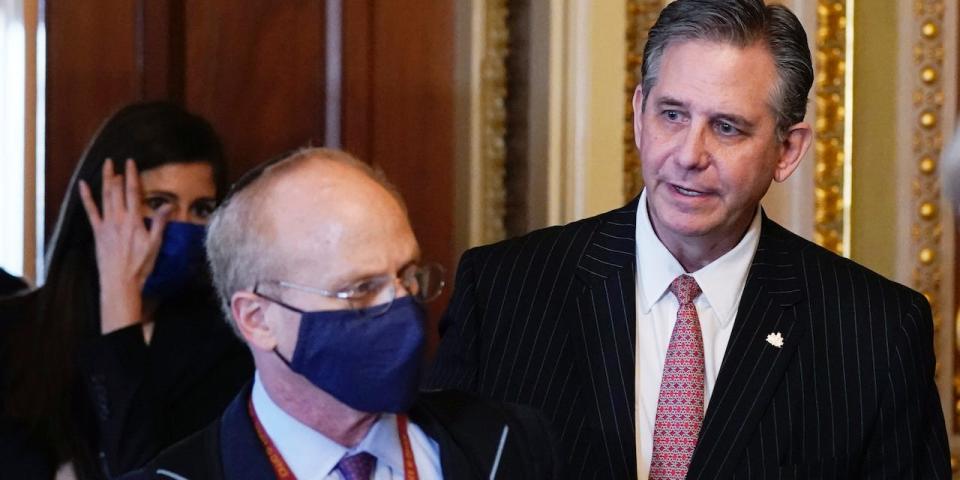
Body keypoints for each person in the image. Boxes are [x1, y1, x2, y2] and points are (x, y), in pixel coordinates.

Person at [426, 0, 951, 478]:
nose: (688, 154)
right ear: (638, 113)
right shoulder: (503, 290)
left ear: (787, 150)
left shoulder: (876, 331)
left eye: (726, 128)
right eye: (672, 115)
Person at [122, 148, 561, 479]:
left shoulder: (511, 442)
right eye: (360, 290)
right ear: (257, 319)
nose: (400, 306)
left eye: (407, 276)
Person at [0, 101, 253, 479]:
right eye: (157, 203)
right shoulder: (13, 331)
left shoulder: (224, 347)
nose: (179, 227)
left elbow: (144, 471)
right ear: (98, 206)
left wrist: (122, 315)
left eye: (201, 209)